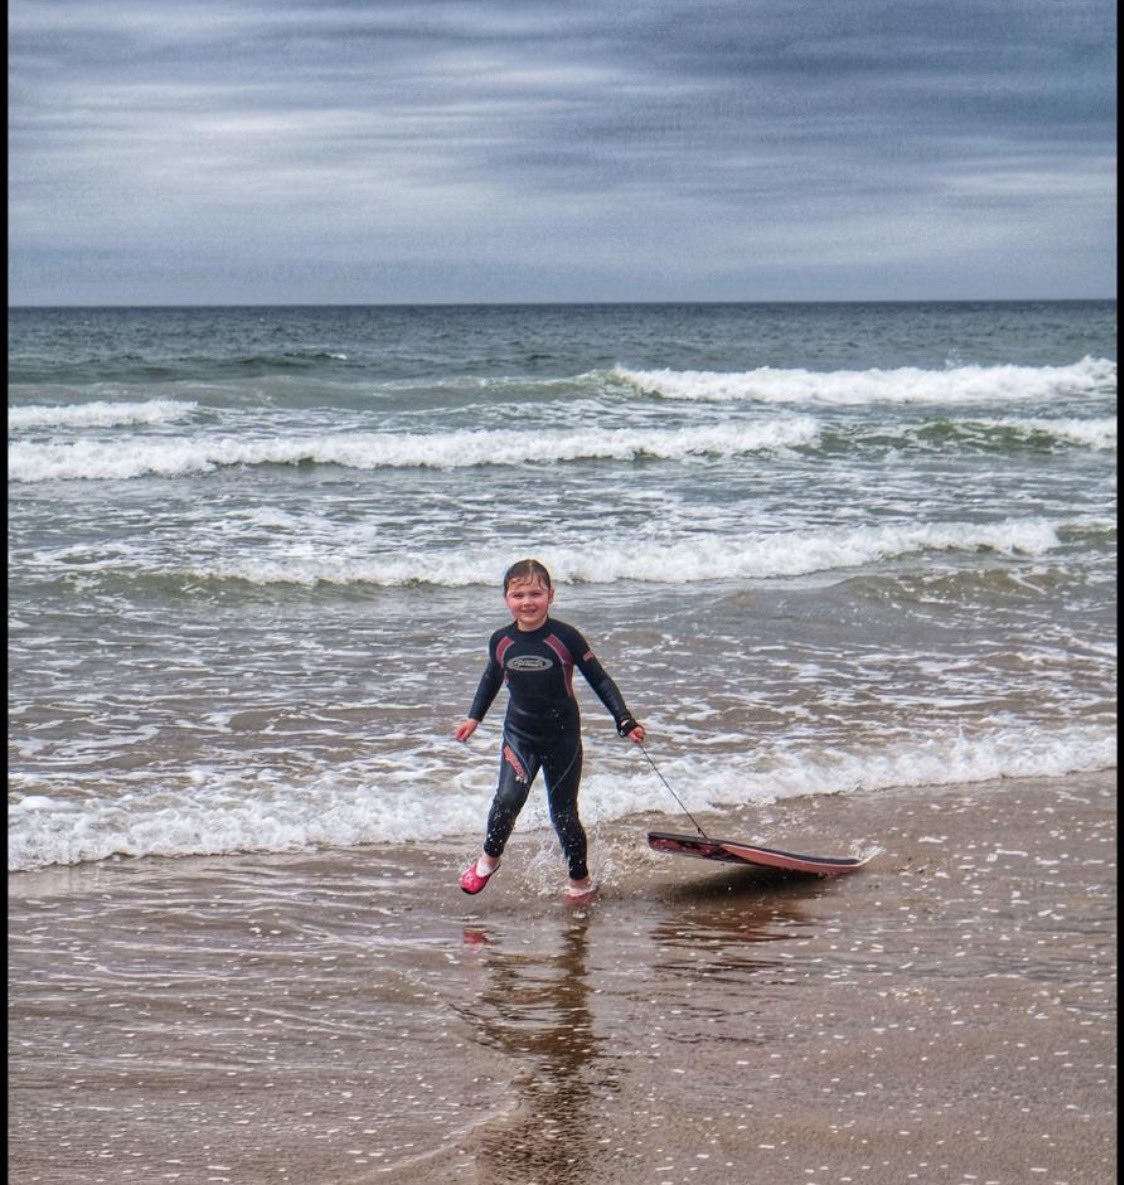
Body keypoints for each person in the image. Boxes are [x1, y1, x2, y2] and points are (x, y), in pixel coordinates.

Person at [454, 558, 645, 900]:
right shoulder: (501, 641)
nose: (527, 601)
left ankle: (579, 882)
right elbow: (490, 679)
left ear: (551, 595)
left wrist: (624, 718)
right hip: (520, 734)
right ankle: (489, 859)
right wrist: (474, 717)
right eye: (518, 594)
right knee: (507, 799)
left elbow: (599, 679)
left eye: (536, 593)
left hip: (562, 736)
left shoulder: (565, 637)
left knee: (564, 814)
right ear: (506, 599)